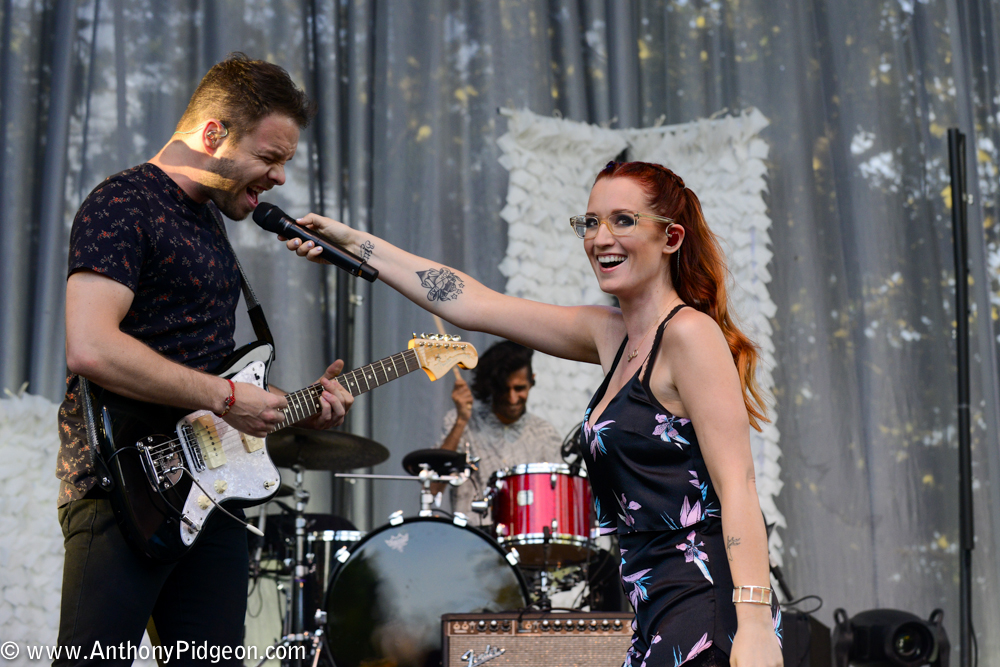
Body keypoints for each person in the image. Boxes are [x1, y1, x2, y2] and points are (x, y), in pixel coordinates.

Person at [285, 160, 783, 667]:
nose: (600, 238)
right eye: (590, 222)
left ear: (671, 237)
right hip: (654, 604)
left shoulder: (689, 335)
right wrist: (351, 243)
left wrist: (756, 625)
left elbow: (738, 484)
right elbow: (472, 303)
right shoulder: (611, 335)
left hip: (707, 602)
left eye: (622, 220)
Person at [56, 53, 354, 665]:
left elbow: (205, 374)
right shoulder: (123, 202)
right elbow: (90, 345)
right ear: (213, 133)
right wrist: (227, 397)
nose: (278, 178)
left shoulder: (208, 222)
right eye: (270, 158)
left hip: (213, 498)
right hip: (125, 487)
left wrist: (293, 406)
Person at [438, 340, 563, 517]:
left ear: (532, 381)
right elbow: (434, 488)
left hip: (530, 542)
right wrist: (461, 422)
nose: (512, 398)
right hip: (472, 541)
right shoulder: (461, 422)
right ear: (491, 388)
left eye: (519, 388)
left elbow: (561, 501)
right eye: (504, 389)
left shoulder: (545, 434)